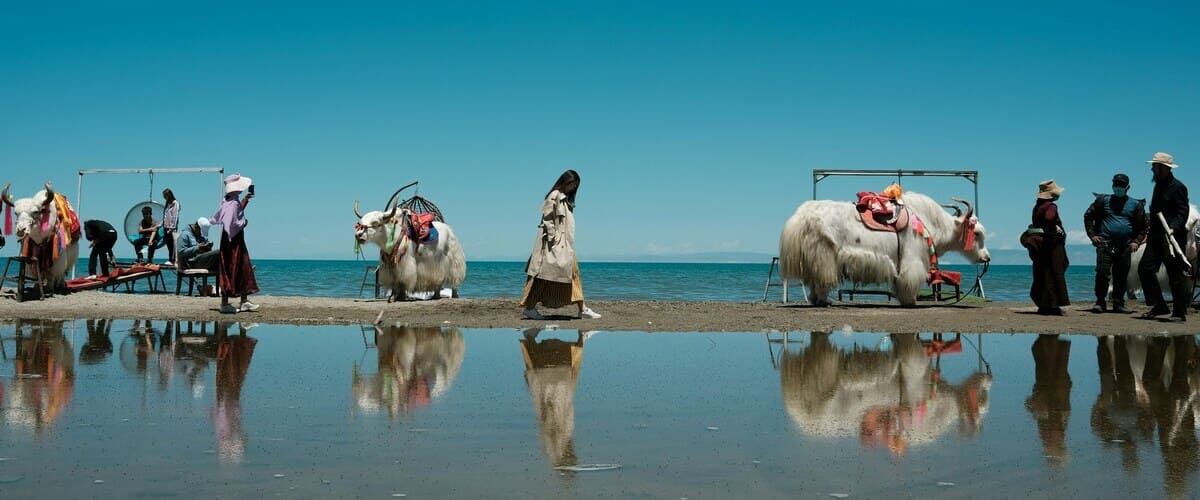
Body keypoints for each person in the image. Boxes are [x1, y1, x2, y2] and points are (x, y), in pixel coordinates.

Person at [520, 170, 601, 320]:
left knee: (573, 274)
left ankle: (581, 308)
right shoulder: (555, 196)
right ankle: (530, 308)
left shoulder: (565, 200)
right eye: (571, 184)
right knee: (542, 277)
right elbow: (547, 219)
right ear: (564, 182)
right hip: (553, 245)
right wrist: (554, 239)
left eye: (575, 186)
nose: (573, 188)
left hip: (564, 246)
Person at [1083, 173, 1148, 313]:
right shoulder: (1102, 200)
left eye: (1121, 185)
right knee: (1102, 273)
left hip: (1125, 246)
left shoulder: (1136, 204)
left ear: (1127, 187)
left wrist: (1136, 241)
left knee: (1121, 275)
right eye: (1116, 184)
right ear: (1112, 185)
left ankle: (1118, 303)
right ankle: (1100, 302)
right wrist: (1092, 235)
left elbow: (1143, 227)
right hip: (1105, 243)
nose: (1118, 187)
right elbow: (1088, 216)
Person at [1138, 152, 1190, 322]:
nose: (1152, 168)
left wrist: (1174, 228)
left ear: (1164, 168)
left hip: (1172, 237)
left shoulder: (1178, 187)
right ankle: (1159, 305)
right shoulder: (1158, 185)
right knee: (1145, 269)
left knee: (1175, 275)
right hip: (1155, 236)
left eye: (1155, 165)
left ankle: (1179, 313)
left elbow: (1183, 211)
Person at [211, 174, 260, 314]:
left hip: (230, 240)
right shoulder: (232, 203)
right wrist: (244, 223)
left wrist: (246, 200)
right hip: (233, 242)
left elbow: (233, 213)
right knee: (235, 267)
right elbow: (233, 222)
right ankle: (230, 303)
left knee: (238, 267)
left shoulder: (229, 201)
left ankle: (239, 301)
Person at [1027, 180, 1070, 315]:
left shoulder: (1037, 206)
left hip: (1039, 244)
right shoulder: (1051, 206)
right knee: (1055, 272)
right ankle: (1053, 305)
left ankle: (1043, 305)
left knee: (1041, 272)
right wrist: (1054, 227)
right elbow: (1050, 218)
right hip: (1051, 244)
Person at [162, 188, 181, 266]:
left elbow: (175, 216)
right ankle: (170, 259)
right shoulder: (167, 204)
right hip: (166, 226)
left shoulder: (175, 203)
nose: (165, 198)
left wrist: (172, 228)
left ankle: (173, 260)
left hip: (171, 227)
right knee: (168, 244)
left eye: (166, 196)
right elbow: (166, 216)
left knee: (172, 244)